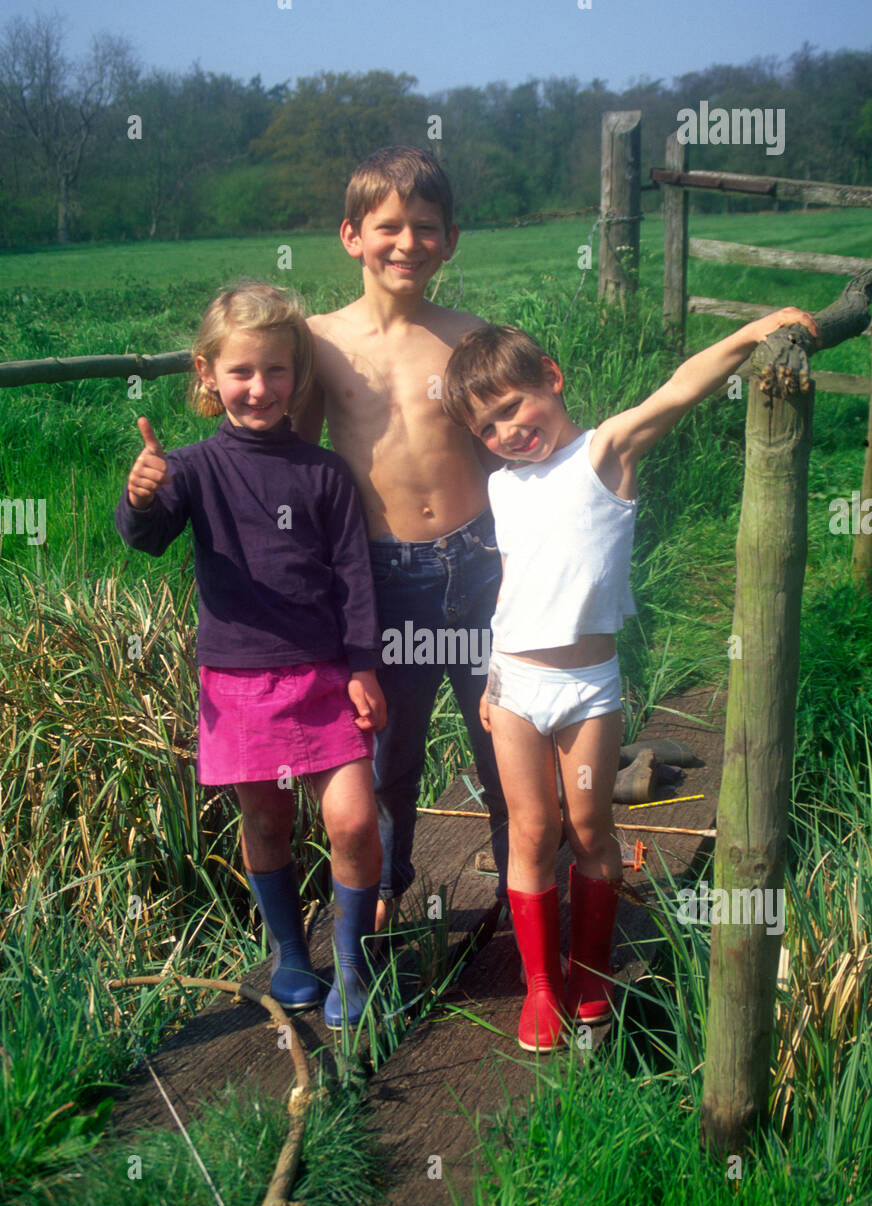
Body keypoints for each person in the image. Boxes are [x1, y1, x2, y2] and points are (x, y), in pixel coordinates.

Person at [442, 307, 819, 1051]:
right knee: (531, 827)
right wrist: (489, 678)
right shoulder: (503, 489)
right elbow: (510, 585)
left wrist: (750, 335)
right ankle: (540, 986)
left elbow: (680, 389)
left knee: (589, 827)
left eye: (515, 407)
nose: (508, 433)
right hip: (516, 683)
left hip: (588, 688)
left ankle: (589, 968)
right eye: (487, 428)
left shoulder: (604, 452)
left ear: (551, 378)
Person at [114, 281, 387, 1030]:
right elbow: (147, 536)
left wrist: (363, 665)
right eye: (241, 372)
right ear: (207, 374)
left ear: (299, 377)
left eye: (276, 371)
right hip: (236, 683)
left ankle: (354, 965)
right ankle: (293, 958)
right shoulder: (192, 469)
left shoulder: (326, 473)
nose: (259, 388)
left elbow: (355, 579)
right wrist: (140, 495)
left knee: (355, 823)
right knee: (265, 823)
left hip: (328, 678)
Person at [296, 146, 509, 933]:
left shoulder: (470, 338)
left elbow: (508, 449)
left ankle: (526, 887)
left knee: (507, 739)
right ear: (352, 234)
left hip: (482, 564)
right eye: (390, 226)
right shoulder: (319, 342)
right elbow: (295, 461)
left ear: (450, 240)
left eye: (427, 228)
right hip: (384, 580)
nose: (408, 243)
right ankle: (383, 893)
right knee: (389, 753)